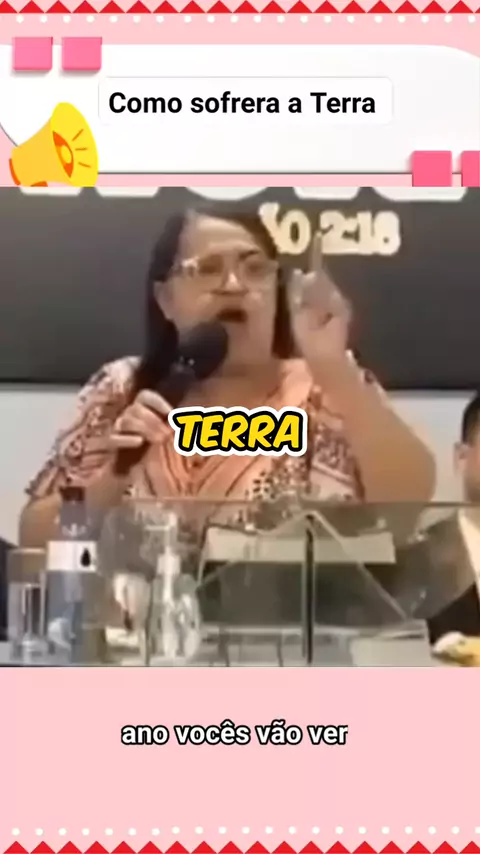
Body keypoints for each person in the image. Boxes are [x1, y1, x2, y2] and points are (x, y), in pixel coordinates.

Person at [19, 207, 435, 551]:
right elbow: (35, 537)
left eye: (254, 269)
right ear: (166, 299)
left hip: (301, 623)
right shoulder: (121, 388)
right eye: (208, 268)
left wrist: (335, 370)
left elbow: (411, 501)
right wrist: (114, 474)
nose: (234, 285)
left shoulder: (329, 385)